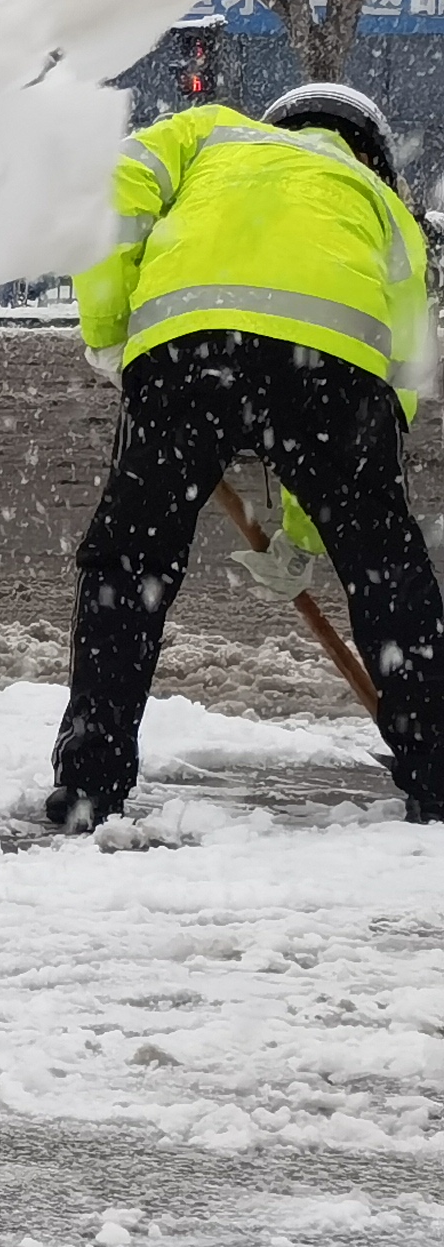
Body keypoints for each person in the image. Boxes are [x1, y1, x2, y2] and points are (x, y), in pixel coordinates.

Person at [50, 79, 444, 828]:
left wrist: (108, 324)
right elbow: (400, 383)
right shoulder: (383, 205)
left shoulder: (209, 133)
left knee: (131, 562)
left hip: (186, 346)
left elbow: (110, 190)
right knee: (387, 568)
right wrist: (314, 530)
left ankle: (90, 783)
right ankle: (436, 770)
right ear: (371, 151)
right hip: (333, 366)